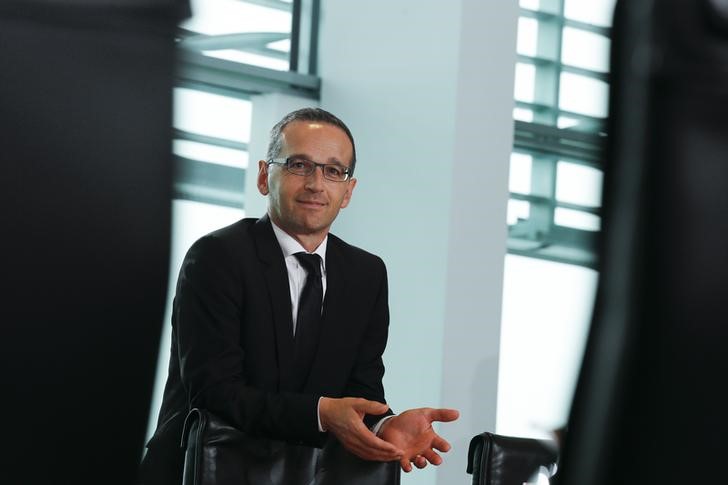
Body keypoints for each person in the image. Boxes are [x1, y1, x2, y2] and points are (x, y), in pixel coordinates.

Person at [139, 107, 459, 484]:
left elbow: (361, 392)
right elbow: (214, 391)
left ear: (348, 191)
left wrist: (385, 423)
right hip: (205, 471)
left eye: (333, 171)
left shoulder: (366, 274)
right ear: (264, 176)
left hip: (305, 475)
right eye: (299, 165)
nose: (315, 184)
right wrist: (322, 414)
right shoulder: (217, 256)